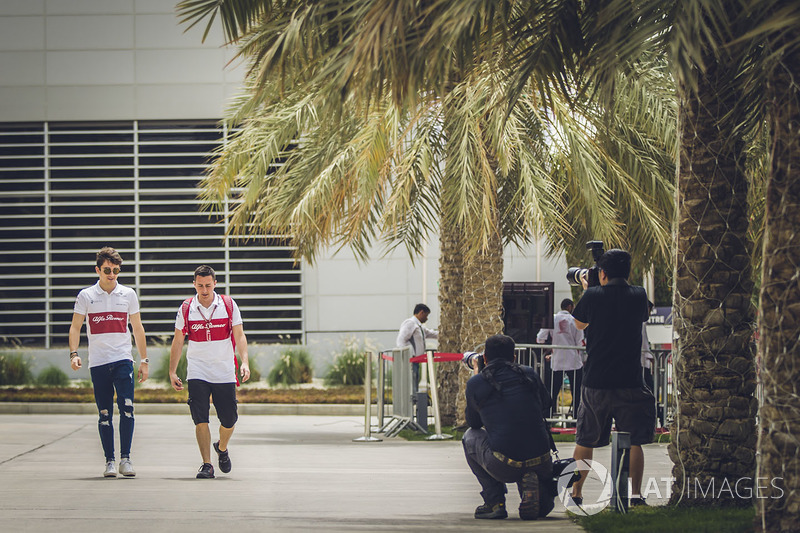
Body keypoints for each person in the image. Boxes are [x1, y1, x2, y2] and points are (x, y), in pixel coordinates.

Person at [569, 249, 655, 507]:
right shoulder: (639, 295)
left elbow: (579, 324)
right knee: (634, 441)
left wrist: (588, 288)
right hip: (631, 378)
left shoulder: (593, 295)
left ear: (602, 273)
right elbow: (643, 314)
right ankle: (637, 495)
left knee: (586, 439)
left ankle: (576, 494)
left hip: (597, 380)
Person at [69, 246, 149, 478]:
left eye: (115, 270)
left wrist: (144, 360)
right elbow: (75, 326)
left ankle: (126, 459)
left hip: (123, 359)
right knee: (105, 413)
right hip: (99, 363)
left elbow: (137, 328)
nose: (112, 274)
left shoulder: (128, 294)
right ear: (98, 270)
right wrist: (74, 354)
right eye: (107, 270)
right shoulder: (86, 296)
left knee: (127, 409)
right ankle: (110, 462)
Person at [168, 265, 250, 479]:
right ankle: (206, 465)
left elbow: (240, 335)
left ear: (215, 283)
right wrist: (172, 371)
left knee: (229, 419)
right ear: (194, 284)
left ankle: (221, 448)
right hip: (198, 370)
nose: (204, 290)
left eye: (208, 285)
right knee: (200, 418)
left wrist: (244, 362)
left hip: (224, 371)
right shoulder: (187, 308)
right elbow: (178, 340)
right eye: (200, 285)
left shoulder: (228, 305)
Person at [462, 334, 555, 520]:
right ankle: (535, 490)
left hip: (505, 465)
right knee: (543, 507)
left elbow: (474, 424)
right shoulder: (529, 373)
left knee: (470, 437)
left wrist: (477, 376)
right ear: (514, 357)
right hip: (542, 458)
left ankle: (495, 502)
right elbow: (546, 404)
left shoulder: (477, 382)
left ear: (485, 358)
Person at [536, 298, 584, 417]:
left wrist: (551, 347)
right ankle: (576, 419)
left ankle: (548, 416)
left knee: (552, 390)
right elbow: (580, 342)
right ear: (570, 307)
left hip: (557, 360)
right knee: (576, 391)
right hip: (573, 360)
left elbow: (540, 338)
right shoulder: (575, 320)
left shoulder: (552, 319)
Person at [396, 303, 438, 390]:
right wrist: (409, 355)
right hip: (411, 360)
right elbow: (401, 340)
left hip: (415, 361)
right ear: (421, 312)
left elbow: (431, 333)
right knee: (411, 384)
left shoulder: (419, 326)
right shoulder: (410, 323)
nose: (427, 319)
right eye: (426, 315)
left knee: (415, 382)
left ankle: (414, 401)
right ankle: (411, 402)